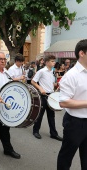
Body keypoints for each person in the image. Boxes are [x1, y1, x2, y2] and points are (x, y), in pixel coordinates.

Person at [57, 39, 87, 170]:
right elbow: (63, 102)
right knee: (66, 158)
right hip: (75, 123)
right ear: (82, 53)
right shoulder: (71, 75)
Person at [31, 55, 63, 141]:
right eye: (52, 61)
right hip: (43, 95)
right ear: (47, 62)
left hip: (51, 95)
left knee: (51, 115)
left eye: (54, 61)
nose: (54, 62)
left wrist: (57, 85)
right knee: (40, 114)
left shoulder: (52, 72)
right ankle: (36, 131)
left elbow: (51, 83)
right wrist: (41, 88)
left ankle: (53, 134)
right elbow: (33, 81)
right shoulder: (41, 71)